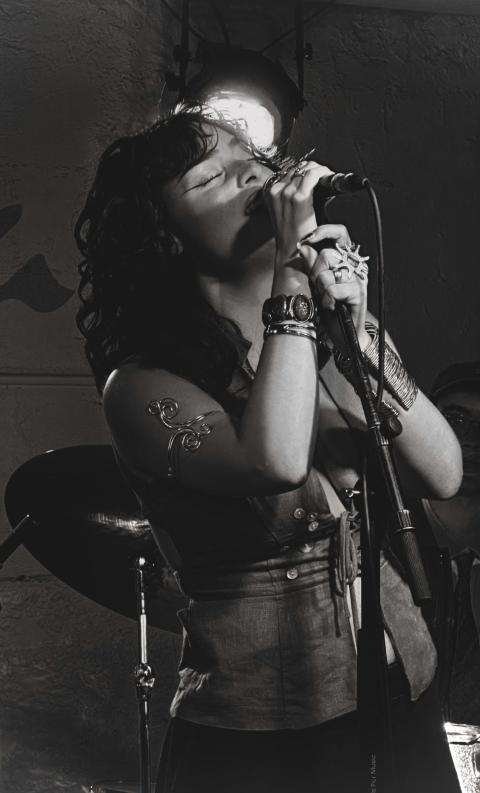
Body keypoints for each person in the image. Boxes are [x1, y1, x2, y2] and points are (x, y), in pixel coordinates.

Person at [75, 104, 463, 793]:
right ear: (163, 236)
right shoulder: (138, 385)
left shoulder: (337, 325)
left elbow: (444, 470)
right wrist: (291, 280)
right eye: (210, 177)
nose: (247, 170)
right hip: (256, 731)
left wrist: (359, 331)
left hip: (399, 686)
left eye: (246, 153)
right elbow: (276, 462)